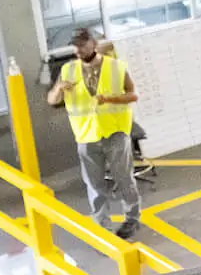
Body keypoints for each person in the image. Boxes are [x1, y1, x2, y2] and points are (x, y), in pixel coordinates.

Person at [47, 27, 140, 239]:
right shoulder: (67, 71)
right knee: (95, 185)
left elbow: (133, 95)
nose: (78, 48)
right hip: (86, 136)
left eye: (82, 43)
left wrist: (109, 99)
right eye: (75, 44)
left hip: (115, 132)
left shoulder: (116, 67)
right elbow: (52, 100)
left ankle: (132, 219)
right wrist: (59, 88)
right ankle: (103, 229)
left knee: (124, 179)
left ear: (93, 44)